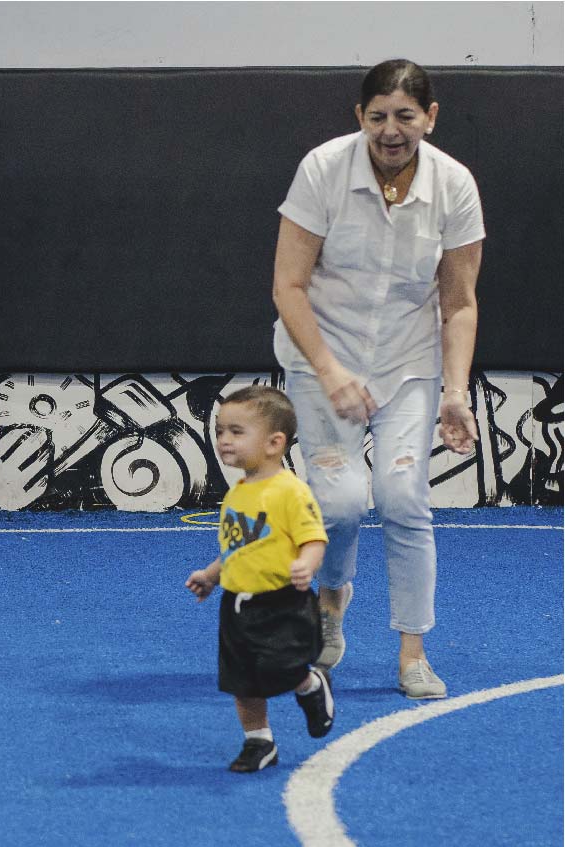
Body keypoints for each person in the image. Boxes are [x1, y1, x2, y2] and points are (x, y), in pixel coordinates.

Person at [271, 59, 483, 700]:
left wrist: (455, 393)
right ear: (359, 117)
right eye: (378, 116)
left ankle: (412, 653)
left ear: (430, 118)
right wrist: (330, 371)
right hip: (321, 355)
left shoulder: (454, 185)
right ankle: (332, 595)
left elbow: (460, 302)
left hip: (408, 363)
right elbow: (288, 285)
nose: (392, 130)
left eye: (406, 116)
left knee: (401, 497)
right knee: (339, 503)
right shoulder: (322, 169)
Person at [186, 387, 335, 773]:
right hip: (236, 606)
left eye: (237, 432)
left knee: (281, 668)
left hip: (282, 603)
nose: (224, 439)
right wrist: (211, 576)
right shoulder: (236, 494)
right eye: (220, 431)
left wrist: (307, 564)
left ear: (274, 443)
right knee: (242, 681)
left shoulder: (290, 491)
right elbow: (237, 549)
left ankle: (310, 685)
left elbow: (314, 538)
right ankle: (258, 741)